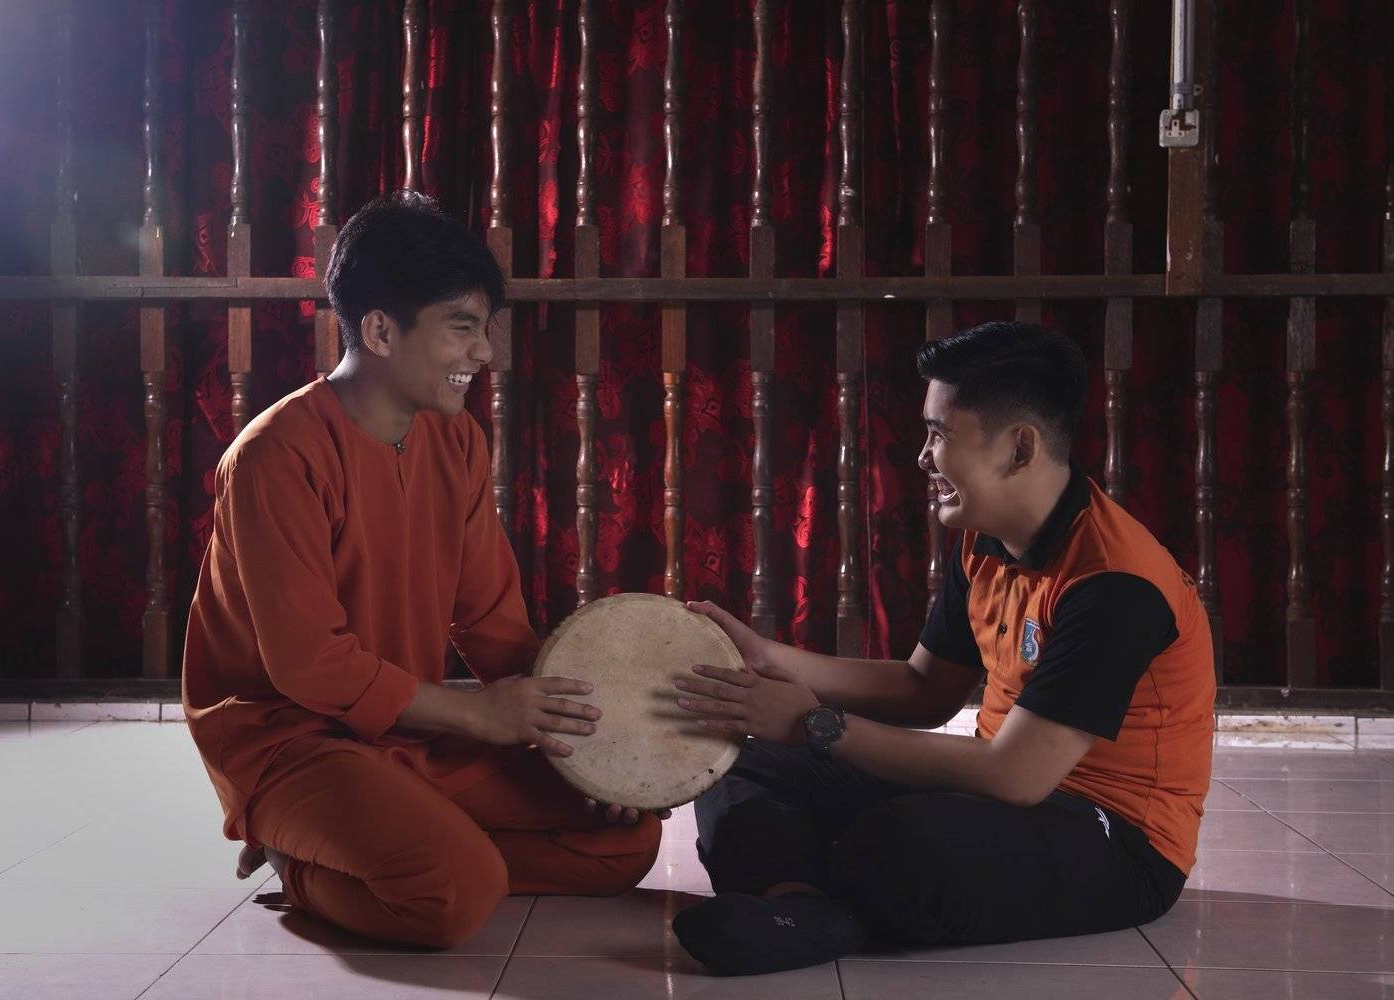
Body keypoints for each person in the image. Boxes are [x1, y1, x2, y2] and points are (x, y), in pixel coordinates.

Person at [181, 190, 661, 950]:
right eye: (462, 328)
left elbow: (492, 623)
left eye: (485, 329)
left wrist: (593, 749)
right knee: (453, 895)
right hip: (289, 741)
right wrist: (479, 716)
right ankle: (296, 858)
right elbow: (310, 666)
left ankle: (398, 843)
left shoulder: (456, 440)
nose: (484, 354)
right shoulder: (275, 455)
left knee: (623, 841)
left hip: (410, 729)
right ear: (379, 330)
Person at [671, 321, 1215, 976]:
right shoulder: (985, 540)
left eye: (938, 434)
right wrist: (768, 658)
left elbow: (1018, 775)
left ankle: (818, 890)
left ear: (1019, 448)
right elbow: (924, 690)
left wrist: (814, 724)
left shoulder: (1116, 583)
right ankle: (798, 907)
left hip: (1117, 840)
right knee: (741, 764)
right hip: (997, 798)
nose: (923, 458)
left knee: (897, 840)